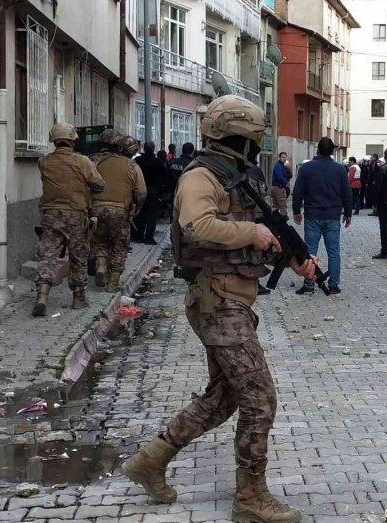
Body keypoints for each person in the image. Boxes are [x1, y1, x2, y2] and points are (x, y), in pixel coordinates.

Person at [122, 95, 317, 523]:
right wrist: (253, 232)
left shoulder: (235, 177)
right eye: (253, 140)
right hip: (218, 302)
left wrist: (294, 257)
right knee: (260, 400)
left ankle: (150, 461)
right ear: (239, 139)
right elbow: (198, 225)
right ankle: (250, 498)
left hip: (233, 301)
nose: (256, 147)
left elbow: (264, 232)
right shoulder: (201, 177)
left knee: (223, 397)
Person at [32, 123, 106, 317]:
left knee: (48, 254)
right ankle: (79, 297)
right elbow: (99, 184)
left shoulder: (44, 162)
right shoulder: (82, 161)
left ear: (54, 141)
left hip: (50, 214)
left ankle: (41, 296)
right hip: (75, 214)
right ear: (73, 140)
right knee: (78, 255)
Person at [292, 137, 352, 295]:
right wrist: (348, 213)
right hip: (332, 215)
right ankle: (334, 285)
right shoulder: (340, 169)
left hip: (313, 215)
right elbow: (347, 193)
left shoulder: (307, 168)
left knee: (310, 250)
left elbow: (298, 191)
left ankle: (309, 284)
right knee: (333, 251)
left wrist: (296, 210)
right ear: (332, 151)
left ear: (317, 149)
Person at [89, 130, 147, 292]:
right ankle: (113, 283)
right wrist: (135, 209)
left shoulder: (97, 161)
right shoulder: (132, 166)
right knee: (119, 246)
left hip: (96, 209)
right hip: (120, 211)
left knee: (99, 241)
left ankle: (100, 267)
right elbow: (141, 193)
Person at [246, 157, 274, 296]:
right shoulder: (255, 171)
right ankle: (254, 282)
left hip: (245, 216)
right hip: (256, 215)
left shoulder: (241, 169)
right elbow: (264, 192)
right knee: (256, 251)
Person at [132, 141, 166, 245]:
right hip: (153, 191)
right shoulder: (158, 162)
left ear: (143, 148)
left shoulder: (137, 161)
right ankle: (149, 237)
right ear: (153, 149)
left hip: (140, 190)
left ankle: (139, 235)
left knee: (140, 213)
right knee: (152, 215)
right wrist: (160, 194)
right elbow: (161, 180)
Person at [163, 142, 194, 222]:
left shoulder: (173, 162)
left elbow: (167, 176)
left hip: (173, 192)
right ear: (192, 151)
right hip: (187, 194)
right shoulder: (192, 164)